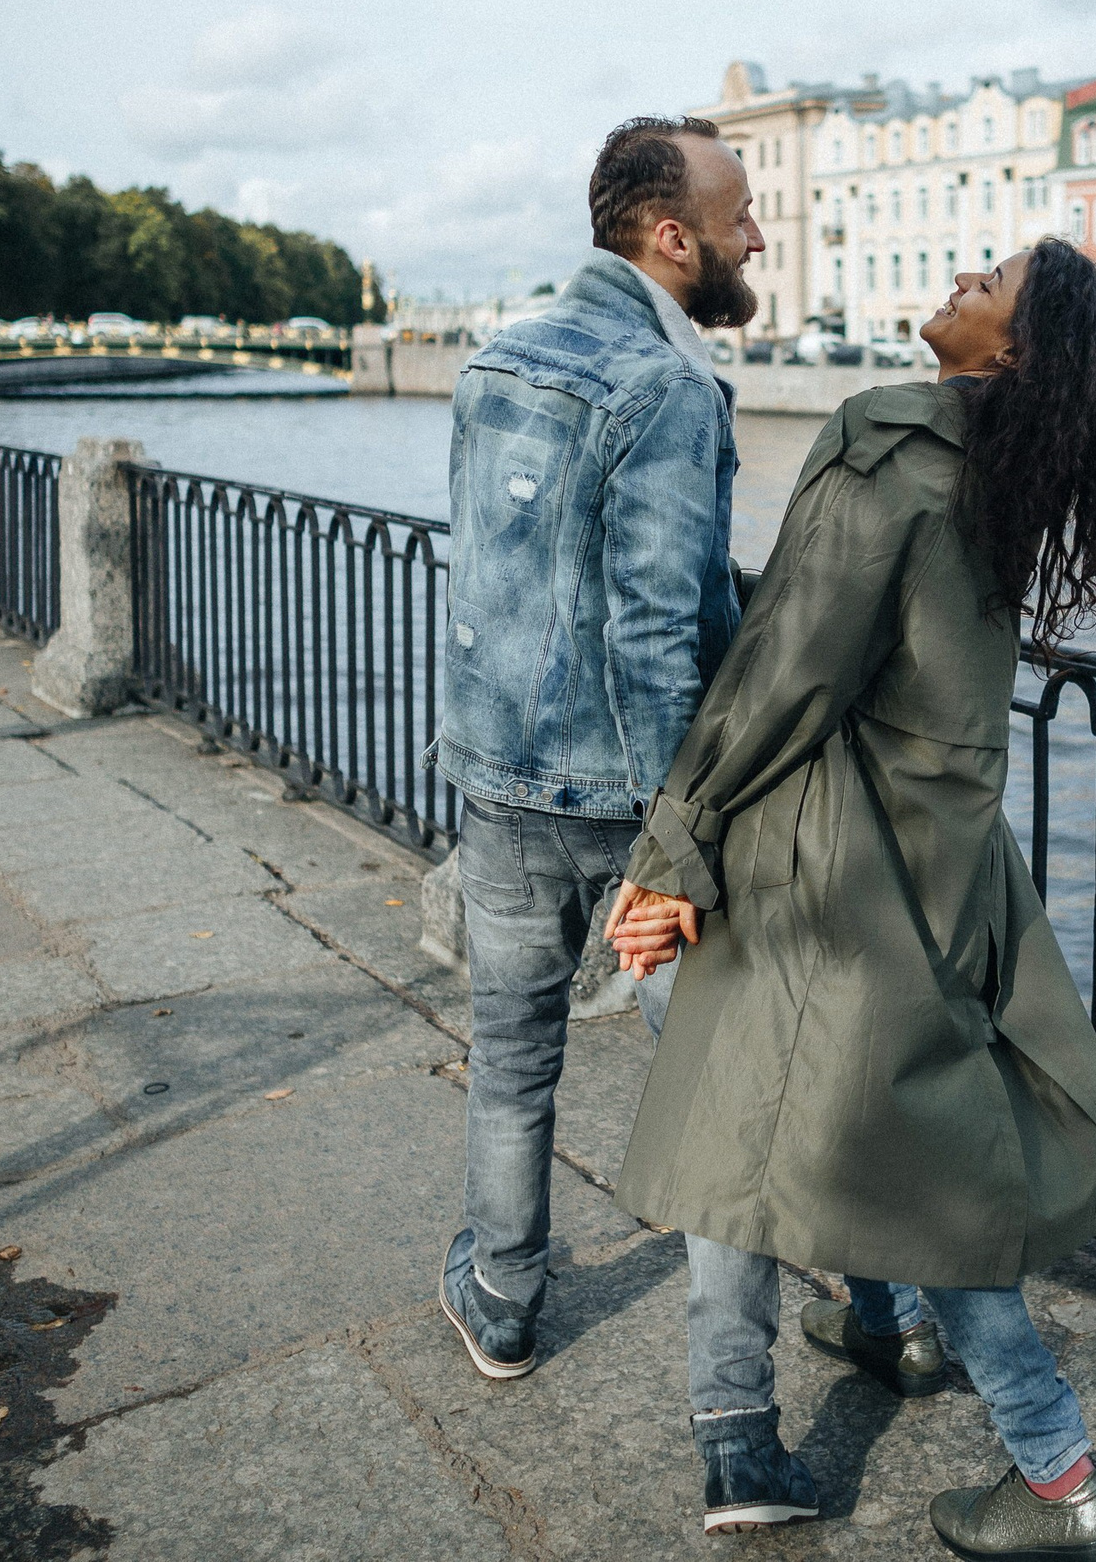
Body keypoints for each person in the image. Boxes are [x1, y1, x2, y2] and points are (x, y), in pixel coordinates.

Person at [605, 238, 1096, 1559]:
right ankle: (880, 1317)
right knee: (878, 1101)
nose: (966, 281)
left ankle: (1055, 1469)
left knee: (788, 1088)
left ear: (1010, 351)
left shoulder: (893, 436)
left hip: (834, 845)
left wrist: (672, 844)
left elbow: (792, 665)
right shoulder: (1003, 465)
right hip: (943, 844)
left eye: (992, 284)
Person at [430, 115, 757, 1384]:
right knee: (709, 1092)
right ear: (671, 239)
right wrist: (674, 833)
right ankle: (734, 1408)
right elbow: (653, 627)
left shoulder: (498, 362)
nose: (756, 237)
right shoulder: (667, 388)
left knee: (511, 1058)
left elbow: (504, 577)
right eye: (737, 218)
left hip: (497, 777)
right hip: (634, 805)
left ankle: (503, 1299)